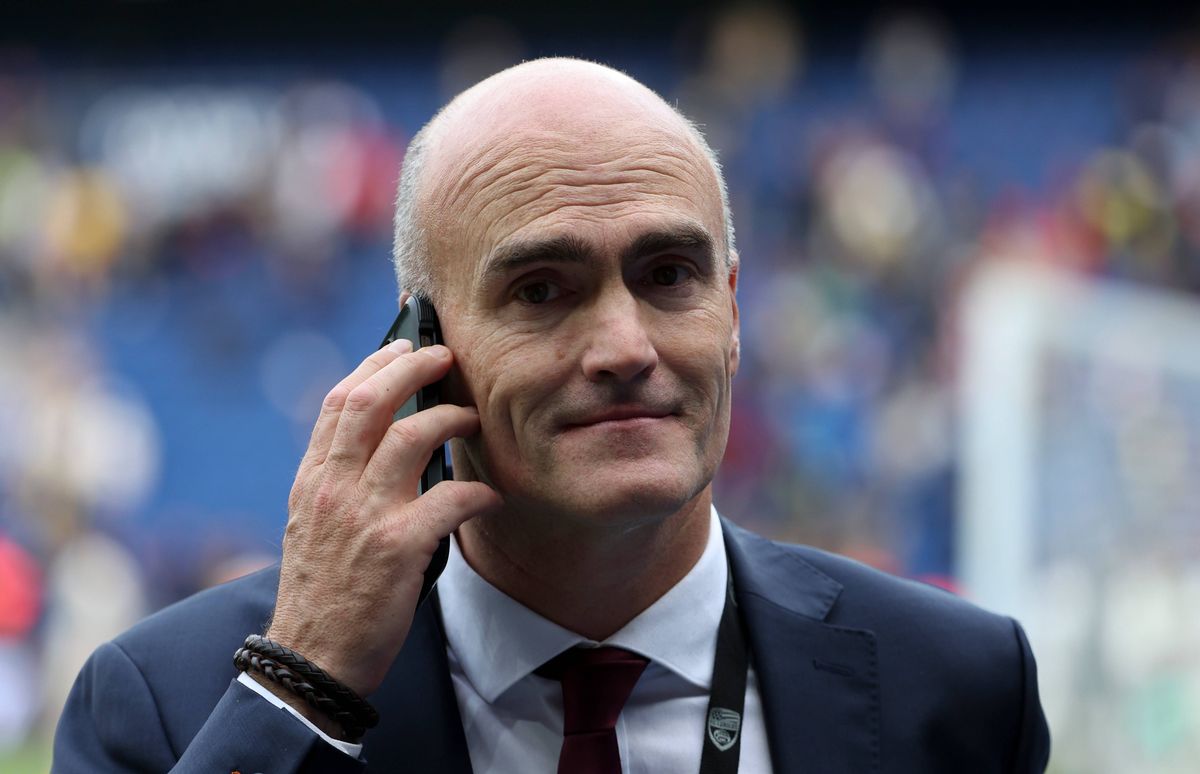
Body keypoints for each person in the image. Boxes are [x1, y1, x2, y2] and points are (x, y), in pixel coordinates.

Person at [53, 58, 1050, 773]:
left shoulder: (958, 688)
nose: (624, 346)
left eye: (669, 276)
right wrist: (302, 693)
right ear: (418, 351)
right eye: (541, 290)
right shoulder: (171, 706)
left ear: (735, 311)